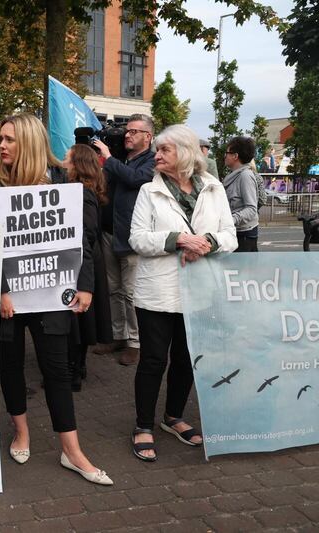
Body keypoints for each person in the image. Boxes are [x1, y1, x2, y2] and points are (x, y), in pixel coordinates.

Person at [0, 114, 111, 485]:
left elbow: (83, 242)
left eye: (9, 139)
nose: (1, 145)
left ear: (28, 142)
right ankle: (21, 432)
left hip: (50, 295)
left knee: (57, 370)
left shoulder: (64, 183)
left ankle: (72, 451)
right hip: (9, 298)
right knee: (11, 366)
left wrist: (86, 285)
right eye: (0, 138)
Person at [128, 124, 237, 462]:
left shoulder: (214, 189)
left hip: (200, 289)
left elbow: (230, 235)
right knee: (153, 359)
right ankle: (143, 425)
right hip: (158, 291)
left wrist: (208, 243)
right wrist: (177, 239)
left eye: (164, 150)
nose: (156, 155)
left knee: (187, 360)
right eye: (157, 149)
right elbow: (137, 238)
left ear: (186, 154)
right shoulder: (149, 191)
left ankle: (173, 417)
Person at [93, 114, 156, 366]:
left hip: (132, 238)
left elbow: (135, 180)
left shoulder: (152, 161)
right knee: (113, 290)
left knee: (131, 293)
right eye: (127, 131)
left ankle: (135, 342)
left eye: (133, 131)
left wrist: (108, 159)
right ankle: (118, 335)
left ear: (147, 136)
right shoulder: (121, 159)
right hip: (110, 233)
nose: (127, 135)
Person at [61, 144, 112, 391]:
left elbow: (88, 231)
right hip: (88, 258)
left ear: (77, 164)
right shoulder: (86, 190)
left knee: (76, 318)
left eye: (67, 158)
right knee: (80, 318)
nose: (63, 161)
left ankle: (74, 370)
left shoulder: (81, 192)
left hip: (84, 260)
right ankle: (77, 367)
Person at [222, 136, 260, 252]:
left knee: (243, 270)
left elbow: (251, 209)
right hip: (235, 231)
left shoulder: (245, 176)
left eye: (227, 153)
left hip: (244, 236)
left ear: (235, 156)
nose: (225, 156)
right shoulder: (232, 175)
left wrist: (230, 219)